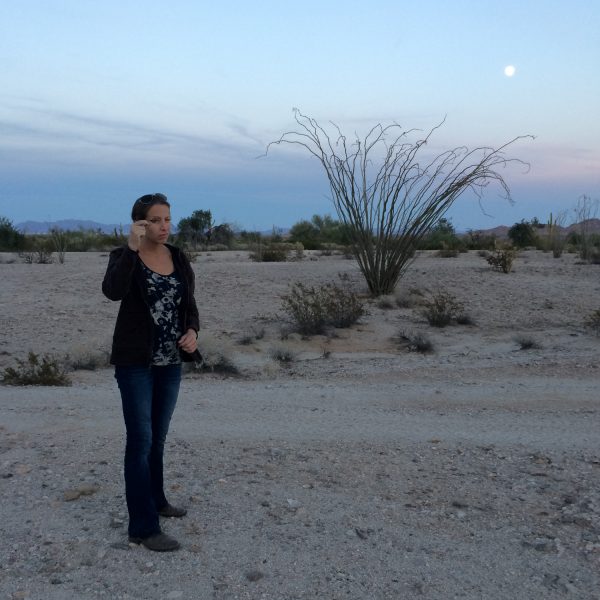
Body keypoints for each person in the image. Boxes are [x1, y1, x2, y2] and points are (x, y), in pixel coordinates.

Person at [102, 193, 201, 552]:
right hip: (135, 364)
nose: (164, 226)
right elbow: (112, 292)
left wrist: (192, 332)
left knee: (157, 439)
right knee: (140, 441)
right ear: (139, 223)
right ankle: (142, 528)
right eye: (156, 220)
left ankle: (157, 500)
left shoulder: (177, 256)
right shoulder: (124, 256)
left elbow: (188, 304)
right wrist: (130, 249)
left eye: (168, 220)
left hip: (170, 363)